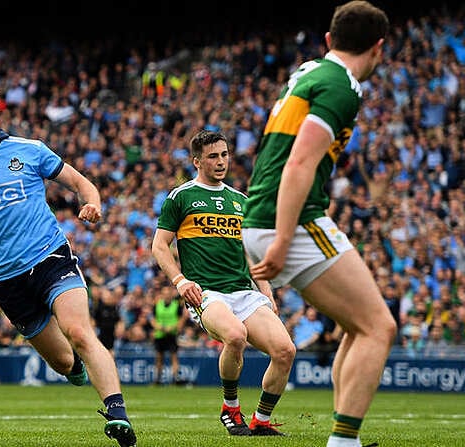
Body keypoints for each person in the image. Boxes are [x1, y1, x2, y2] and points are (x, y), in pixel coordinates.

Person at [0, 79, 135, 447]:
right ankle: (75, 370)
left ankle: (117, 413)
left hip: (50, 257)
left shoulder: (29, 150)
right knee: (62, 361)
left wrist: (93, 204)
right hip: (6, 280)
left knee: (78, 331)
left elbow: (82, 183)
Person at [241, 2, 395, 446]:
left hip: (275, 213)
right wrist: (284, 238)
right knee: (378, 328)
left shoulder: (310, 71)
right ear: (378, 48)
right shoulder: (341, 86)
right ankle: (343, 442)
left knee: (359, 326)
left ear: (329, 40)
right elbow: (300, 162)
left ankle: (344, 438)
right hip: (288, 217)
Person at [151, 129, 296, 437]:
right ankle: (230, 408)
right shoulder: (181, 197)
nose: (221, 162)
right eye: (213, 156)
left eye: (225, 155)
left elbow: (253, 256)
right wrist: (179, 281)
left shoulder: (240, 201)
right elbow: (159, 246)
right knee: (235, 335)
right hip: (207, 292)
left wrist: (267, 293)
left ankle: (262, 420)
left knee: (285, 350)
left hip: (244, 291)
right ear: (197, 161)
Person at [149, 285, 187, 385]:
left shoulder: (176, 305)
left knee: (174, 356)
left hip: (172, 334)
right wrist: (158, 327)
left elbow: (181, 319)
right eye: (164, 294)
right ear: (162, 295)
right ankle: (157, 379)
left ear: (171, 294)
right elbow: (152, 319)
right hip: (160, 334)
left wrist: (174, 327)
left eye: (168, 293)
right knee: (159, 357)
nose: (167, 296)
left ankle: (176, 378)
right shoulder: (157, 305)